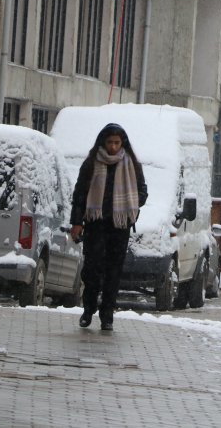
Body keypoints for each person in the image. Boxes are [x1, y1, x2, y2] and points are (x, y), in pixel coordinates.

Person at [70, 123, 148, 330]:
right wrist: (76, 222)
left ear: (123, 143)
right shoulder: (91, 163)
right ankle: (88, 309)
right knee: (92, 270)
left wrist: (131, 205)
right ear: (102, 142)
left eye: (117, 142)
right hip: (95, 224)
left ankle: (107, 316)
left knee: (114, 272)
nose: (113, 147)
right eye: (110, 142)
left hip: (119, 227)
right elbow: (79, 195)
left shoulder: (131, 164)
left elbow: (142, 192)